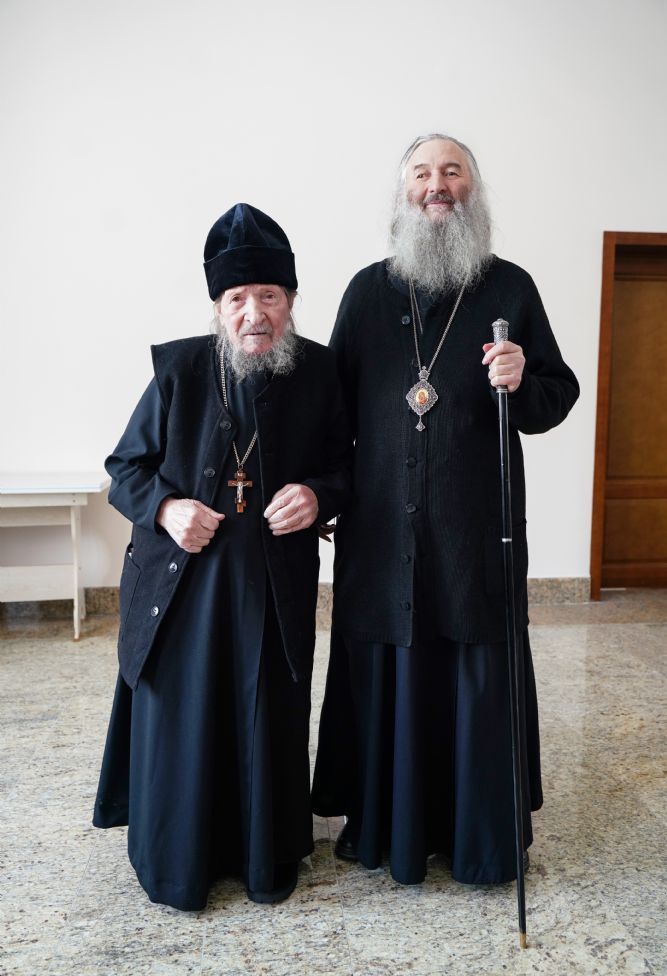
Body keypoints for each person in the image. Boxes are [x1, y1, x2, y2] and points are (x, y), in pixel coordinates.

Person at [312, 134, 579, 887]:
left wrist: (523, 378)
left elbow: (554, 397)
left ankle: (477, 838)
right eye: (423, 173)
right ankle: (385, 827)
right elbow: (331, 414)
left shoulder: (510, 289)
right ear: (403, 192)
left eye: (451, 171)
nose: (437, 185)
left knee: (471, 671)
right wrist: (321, 489)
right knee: (390, 670)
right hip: (381, 535)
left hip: (472, 537)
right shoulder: (367, 291)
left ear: (472, 189)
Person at [93, 203, 350, 910]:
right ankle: (180, 860)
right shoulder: (179, 369)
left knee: (265, 712)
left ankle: (264, 855)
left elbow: (346, 467)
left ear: (290, 300)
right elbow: (124, 468)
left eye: (269, 296)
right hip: (182, 587)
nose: (254, 315)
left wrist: (317, 495)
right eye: (238, 298)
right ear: (217, 307)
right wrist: (167, 509)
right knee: (187, 717)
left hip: (271, 586)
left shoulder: (320, 372)